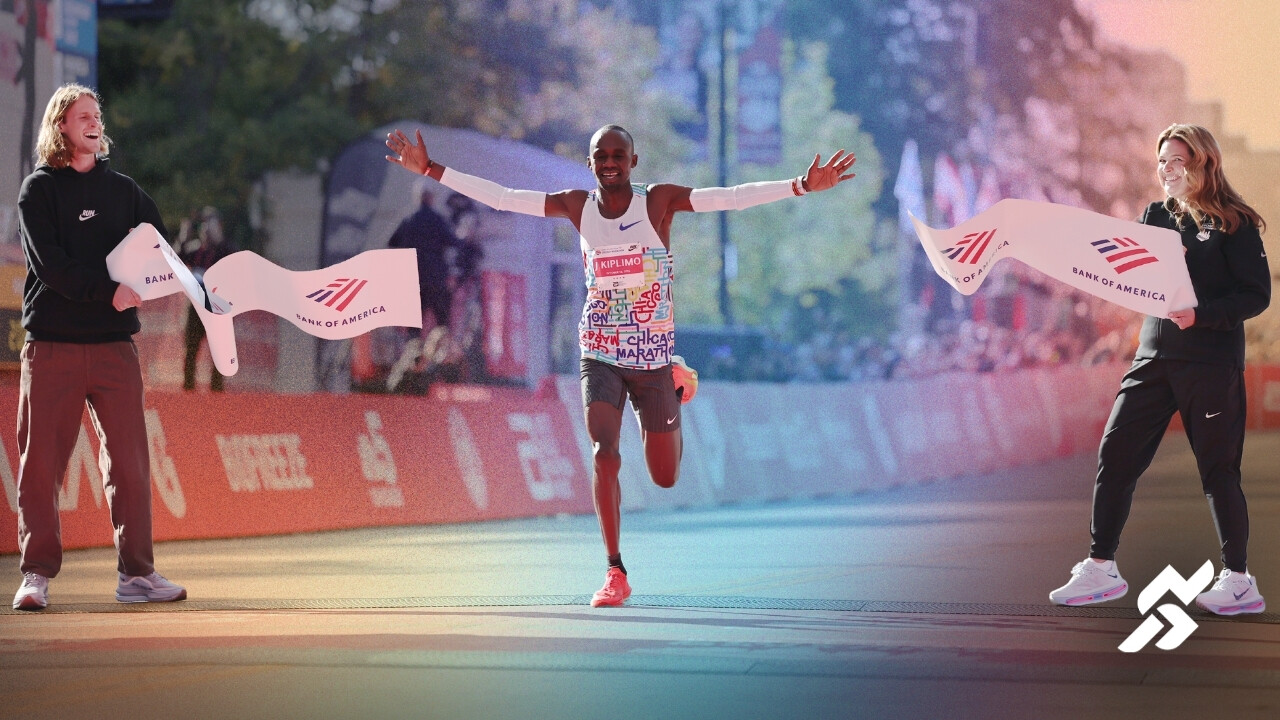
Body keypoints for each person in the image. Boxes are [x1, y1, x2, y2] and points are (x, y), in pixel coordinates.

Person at [385, 124, 856, 606]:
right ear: (590, 164)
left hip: (652, 357)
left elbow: (730, 197)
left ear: (633, 161)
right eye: (601, 156)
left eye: (618, 155)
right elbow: (504, 197)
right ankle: (615, 571)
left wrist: (800, 185)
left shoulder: (659, 201)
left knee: (664, 475)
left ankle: (675, 381)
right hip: (600, 351)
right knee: (604, 453)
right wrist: (431, 169)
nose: (609, 162)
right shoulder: (577, 206)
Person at [1049, 124, 1269, 616]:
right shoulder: (1155, 215)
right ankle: (1101, 567)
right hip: (1152, 357)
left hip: (1209, 362)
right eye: (1162, 161)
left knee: (1218, 471)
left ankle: (1238, 581)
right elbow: (1130, 272)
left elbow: (1256, 295)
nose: (1166, 170)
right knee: (1115, 454)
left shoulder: (1235, 223)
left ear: (1204, 163)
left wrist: (1201, 314)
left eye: (1176, 161)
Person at [12, 84, 187, 610]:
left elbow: (160, 248)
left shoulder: (125, 191)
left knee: (131, 464)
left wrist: (175, 279)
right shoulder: (38, 190)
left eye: (96, 114)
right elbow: (52, 267)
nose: (93, 122)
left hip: (114, 348)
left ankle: (137, 576)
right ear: (60, 126)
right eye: (82, 115)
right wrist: (109, 291)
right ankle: (36, 575)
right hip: (53, 345)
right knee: (41, 466)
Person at [385, 182, 462, 392]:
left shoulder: (409, 219)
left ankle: (412, 369)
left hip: (414, 280)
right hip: (436, 280)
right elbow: (455, 242)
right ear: (431, 198)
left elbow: (391, 242)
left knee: (414, 331)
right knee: (442, 326)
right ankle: (443, 370)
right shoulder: (437, 220)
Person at [176, 205, 230, 391]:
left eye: (211, 224)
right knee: (191, 348)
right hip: (196, 306)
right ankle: (188, 388)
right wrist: (183, 236)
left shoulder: (225, 249)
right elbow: (176, 259)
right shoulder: (194, 250)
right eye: (204, 225)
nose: (206, 229)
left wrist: (218, 238)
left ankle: (217, 390)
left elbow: (231, 257)